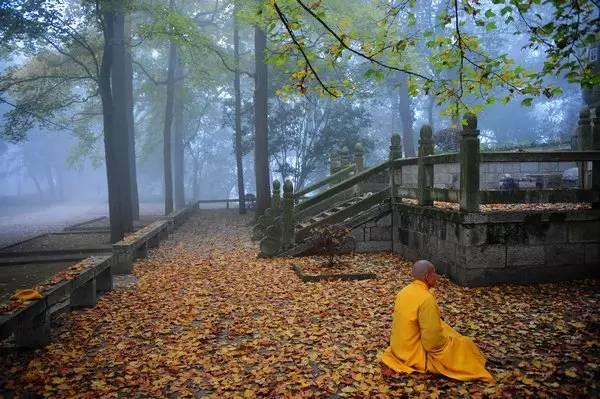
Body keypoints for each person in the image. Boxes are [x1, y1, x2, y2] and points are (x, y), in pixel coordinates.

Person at [380, 260, 494, 382]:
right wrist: (448, 345)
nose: (437, 276)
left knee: (446, 329)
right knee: (465, 344)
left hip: (399, 347)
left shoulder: (404, 291)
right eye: (434, 273)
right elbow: (432, 343)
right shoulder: (426, 299)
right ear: (427, 277)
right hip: (414, 354)